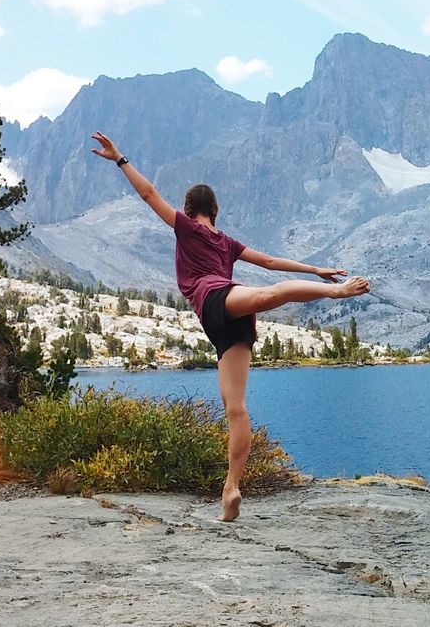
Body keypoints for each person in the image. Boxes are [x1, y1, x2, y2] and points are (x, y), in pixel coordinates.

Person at [89, 131, 370, 521]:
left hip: (214, 305)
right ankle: (231, 487)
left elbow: (149, 194)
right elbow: (270, 260)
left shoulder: (187, 228)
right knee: (235, 405)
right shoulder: (226, 240)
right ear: (215, 209)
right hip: (231, 323)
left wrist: (120, 159)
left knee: (267, 298)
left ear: (188, 209)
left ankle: (335, 293)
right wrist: (314, 267)